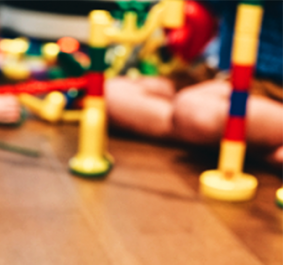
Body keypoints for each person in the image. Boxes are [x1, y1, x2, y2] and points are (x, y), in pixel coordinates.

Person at [105, 0, 283, 165]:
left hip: (272, 87)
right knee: (110, 92)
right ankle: (246, 145)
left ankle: (207, 133)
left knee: (196, 110)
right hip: (218, 73)